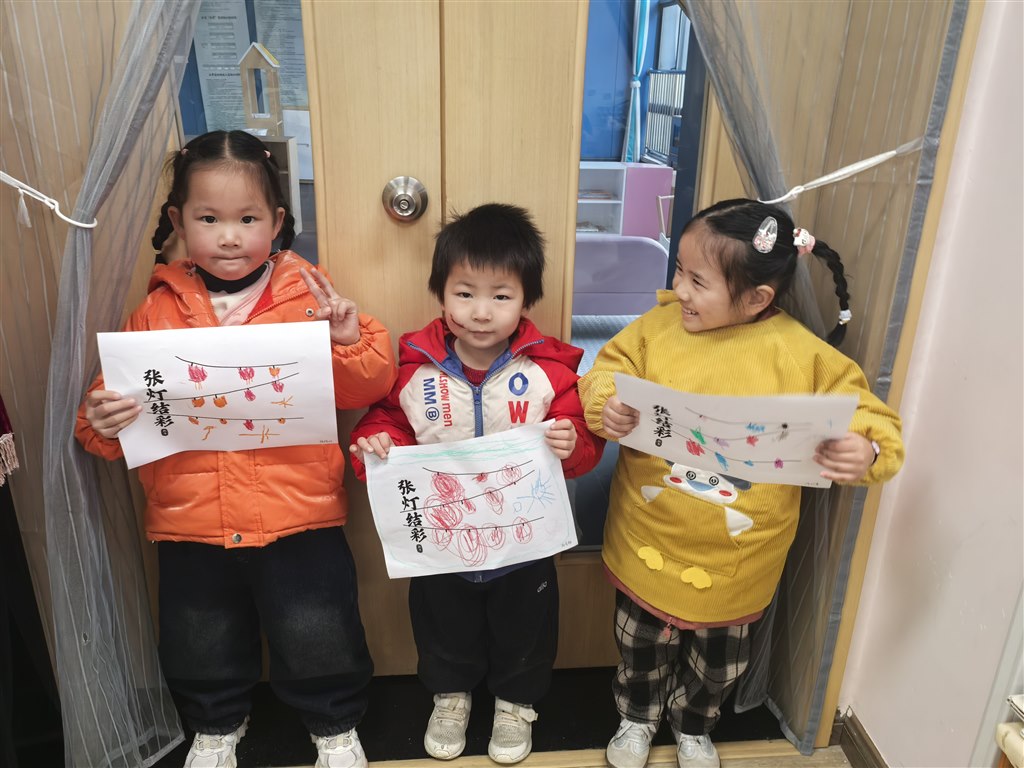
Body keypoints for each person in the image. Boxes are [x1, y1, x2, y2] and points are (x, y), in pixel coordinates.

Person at [75, 130, 397, 768]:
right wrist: (102, 421)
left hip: (299, 511)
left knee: (318, 625)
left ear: (276, 222)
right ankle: (216, 722)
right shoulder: (154, 311)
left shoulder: (312, 297)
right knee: (200, 633)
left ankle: (334, 723)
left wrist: (348, 340)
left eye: (247, 219)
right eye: (209, 219)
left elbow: (371, 383)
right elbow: (107, 413)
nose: (229, 237)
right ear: (178, 222)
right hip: (190, 518)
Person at [578, 199, 905, 768]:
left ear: (757, 298)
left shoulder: (801, 355)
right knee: (639, 645)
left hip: (738, 554)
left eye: (698, 281)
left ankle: (693, 724)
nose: (679, 290)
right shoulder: (658, 327)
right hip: (650, 534)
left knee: (719, 662)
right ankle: (637, 717)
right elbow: (605, 369)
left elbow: (870, 417)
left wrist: (866, 448)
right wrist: (607, 404)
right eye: (679, 271)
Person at [348, 203, 604, 765]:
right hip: (443, 540)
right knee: (442, 626)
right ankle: (450, 696)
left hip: (524, 543)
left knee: (526, 629)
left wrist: (574, 444)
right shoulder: (413, 368)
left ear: (526, 299)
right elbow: (385, 422)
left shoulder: (551, 373)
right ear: (441, 293)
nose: (481, 312)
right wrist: (375, 443)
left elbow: (584, 443)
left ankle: (516, 703)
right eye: (464, 293)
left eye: (501, 296)